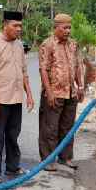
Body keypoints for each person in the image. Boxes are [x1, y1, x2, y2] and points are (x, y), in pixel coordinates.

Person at [0, 9, 36, 184]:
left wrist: (29, 94)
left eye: (20, 26)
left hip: (16, 98)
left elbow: (24, 71)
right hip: (0, 99)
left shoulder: (19, 45)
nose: (19, 29)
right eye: (15, 25)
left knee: (13, 134)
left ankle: (13, 167)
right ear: (5, 25)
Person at [38, 13, 84, 171]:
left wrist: (81, 86)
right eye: (65, 28)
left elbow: (77, 66)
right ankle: (48, 160)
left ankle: (66, 157)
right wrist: (49, 92)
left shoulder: (73, 44)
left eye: (69, 27)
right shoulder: (47, 44)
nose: (68, 31)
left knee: (68, 127)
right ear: (56, 28)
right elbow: (43, 69)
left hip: (70, 93)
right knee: (50, 128)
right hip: (54, 93)